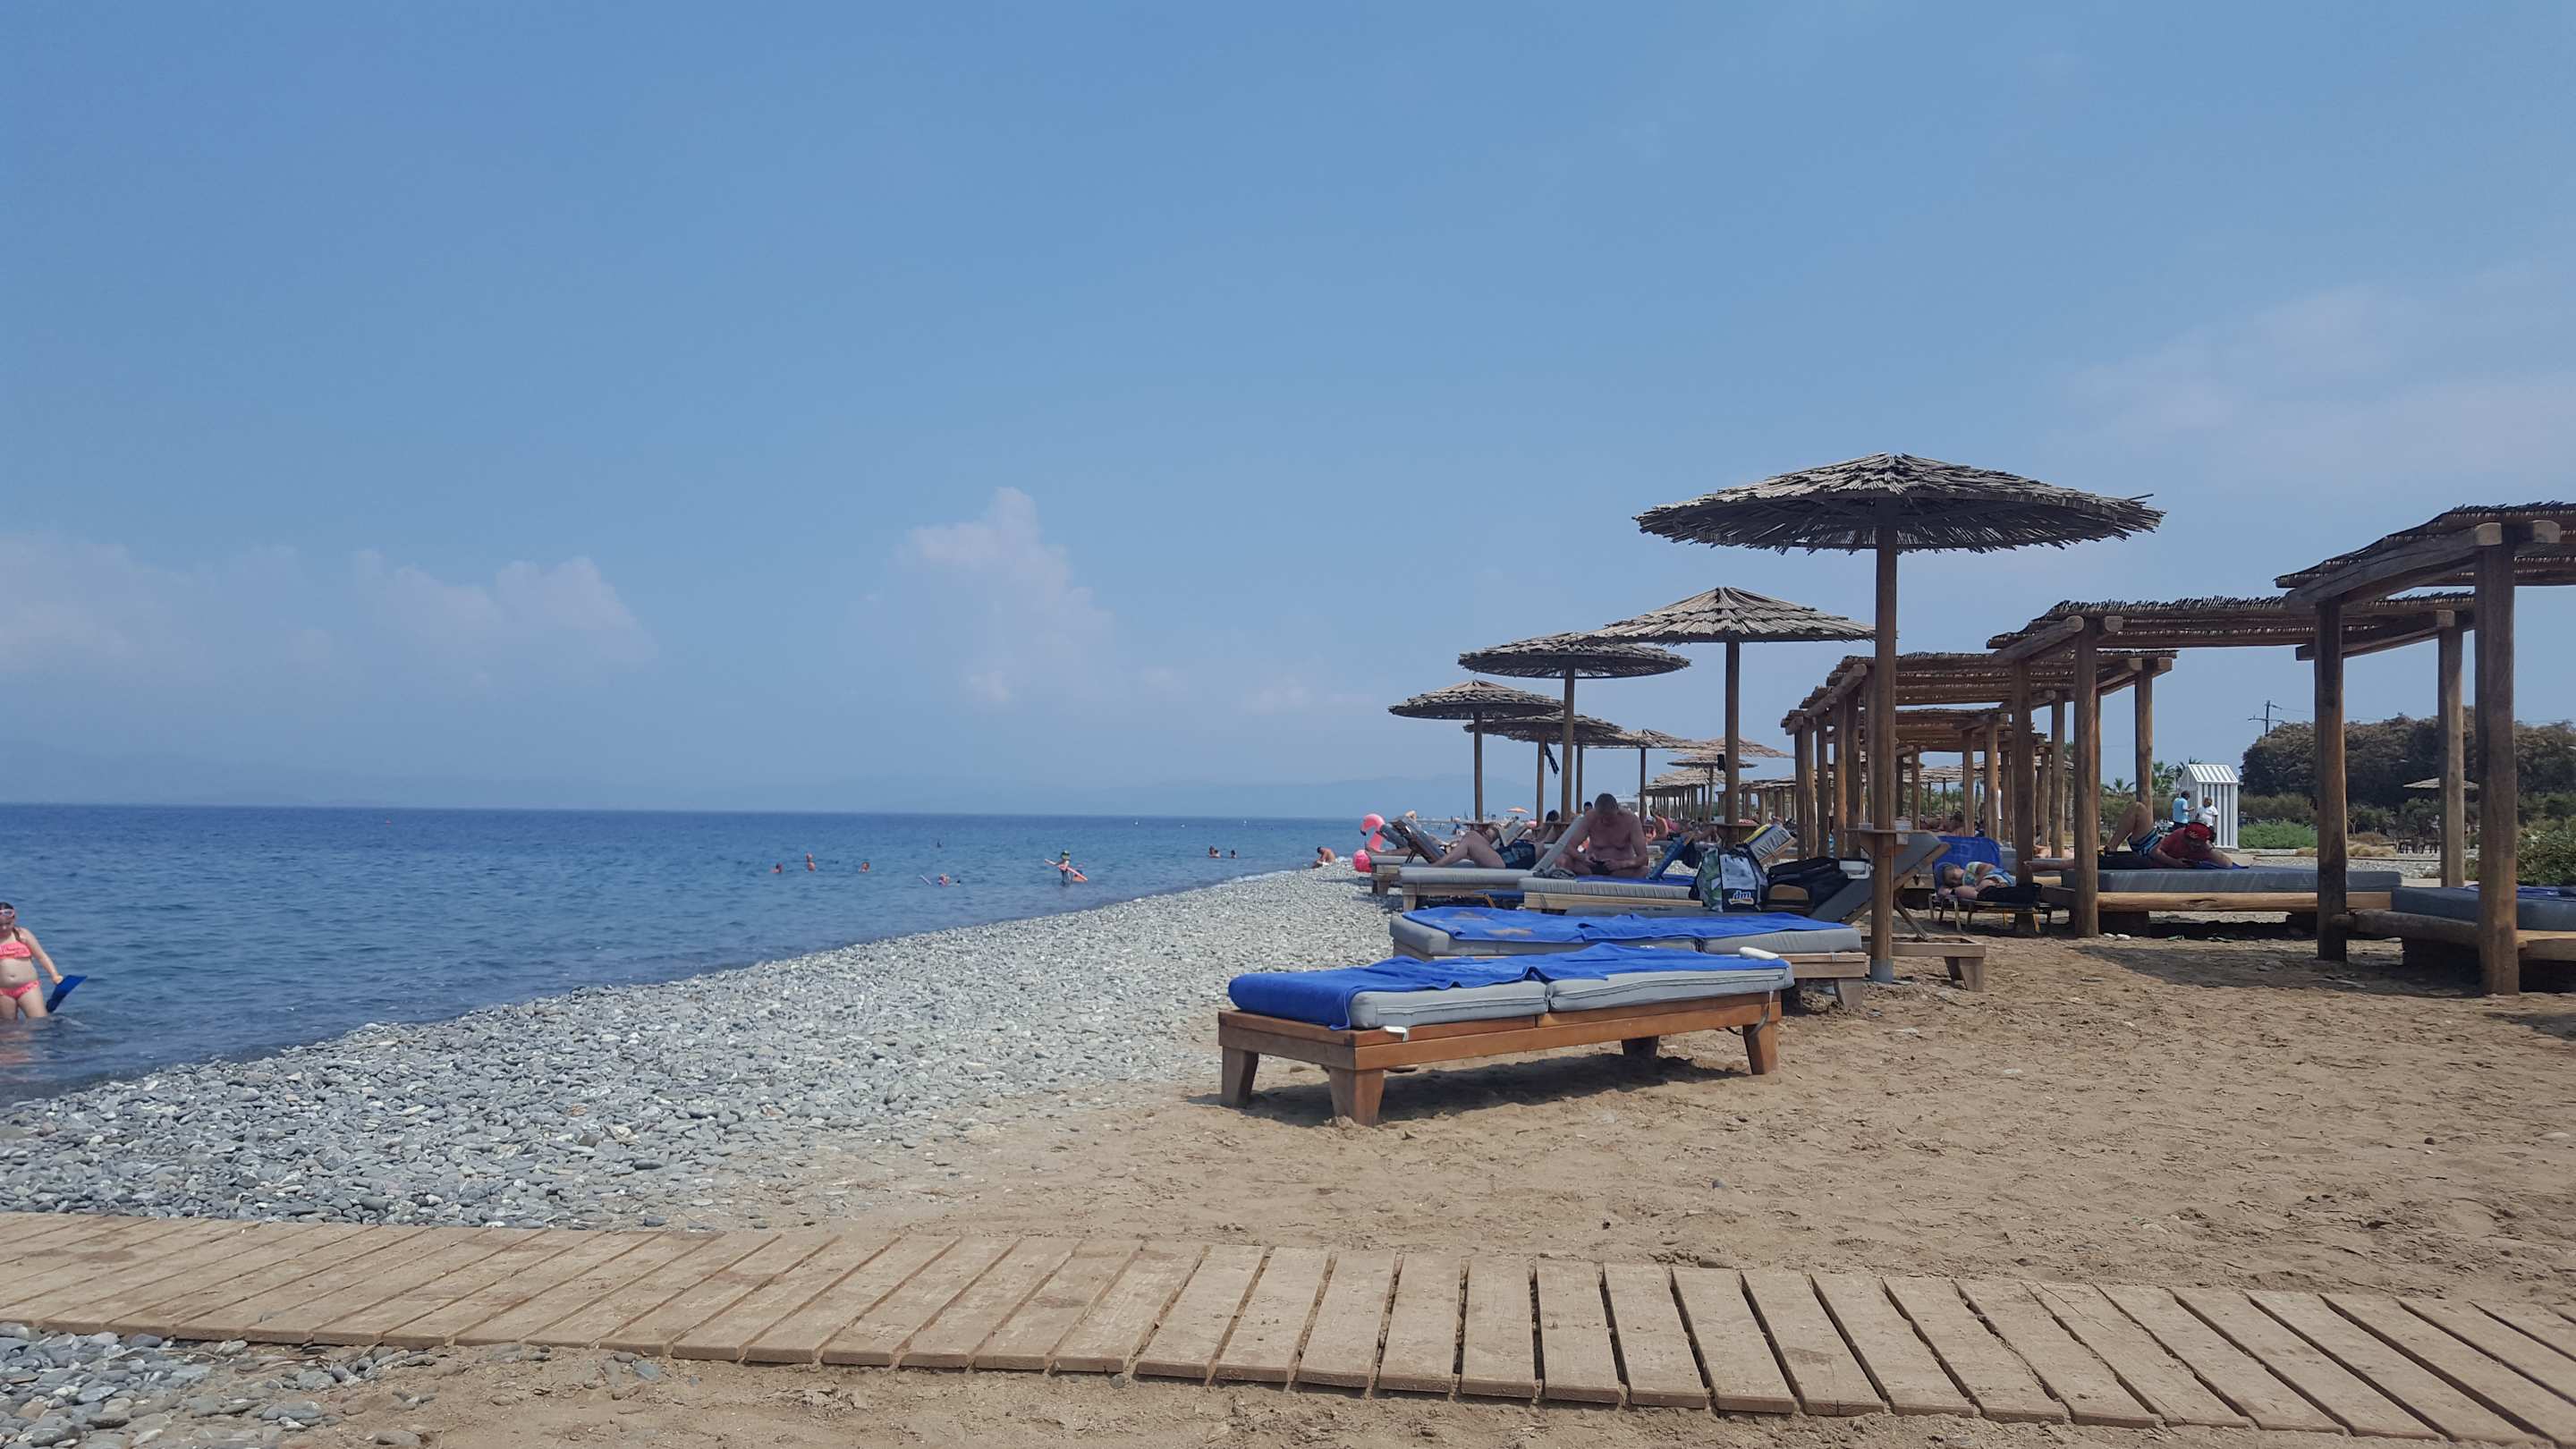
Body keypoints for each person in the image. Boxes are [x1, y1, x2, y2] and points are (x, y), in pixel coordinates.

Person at [1557, 793, 1653, 877]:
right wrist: (1583, 857)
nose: (1604, 821)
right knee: (1562, 860)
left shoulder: (1631, 820)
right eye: (1601, 818)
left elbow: (1644, 858)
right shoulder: (1590, 817)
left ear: (1617, 811)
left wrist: (1621, 864)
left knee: (1645, 871)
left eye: (1609, 818)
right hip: (1591, 867)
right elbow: (1569, 847)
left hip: (1619, 870)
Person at [0, 904, 65, 1022]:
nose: (4, 928)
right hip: (2, 992)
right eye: (0, 925)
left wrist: (55, 975)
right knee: (8, 1027)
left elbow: (41, 956)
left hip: (28, 988)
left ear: (14, 919)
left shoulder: (22, 935)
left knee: (40, 1022)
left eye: (8, 924)